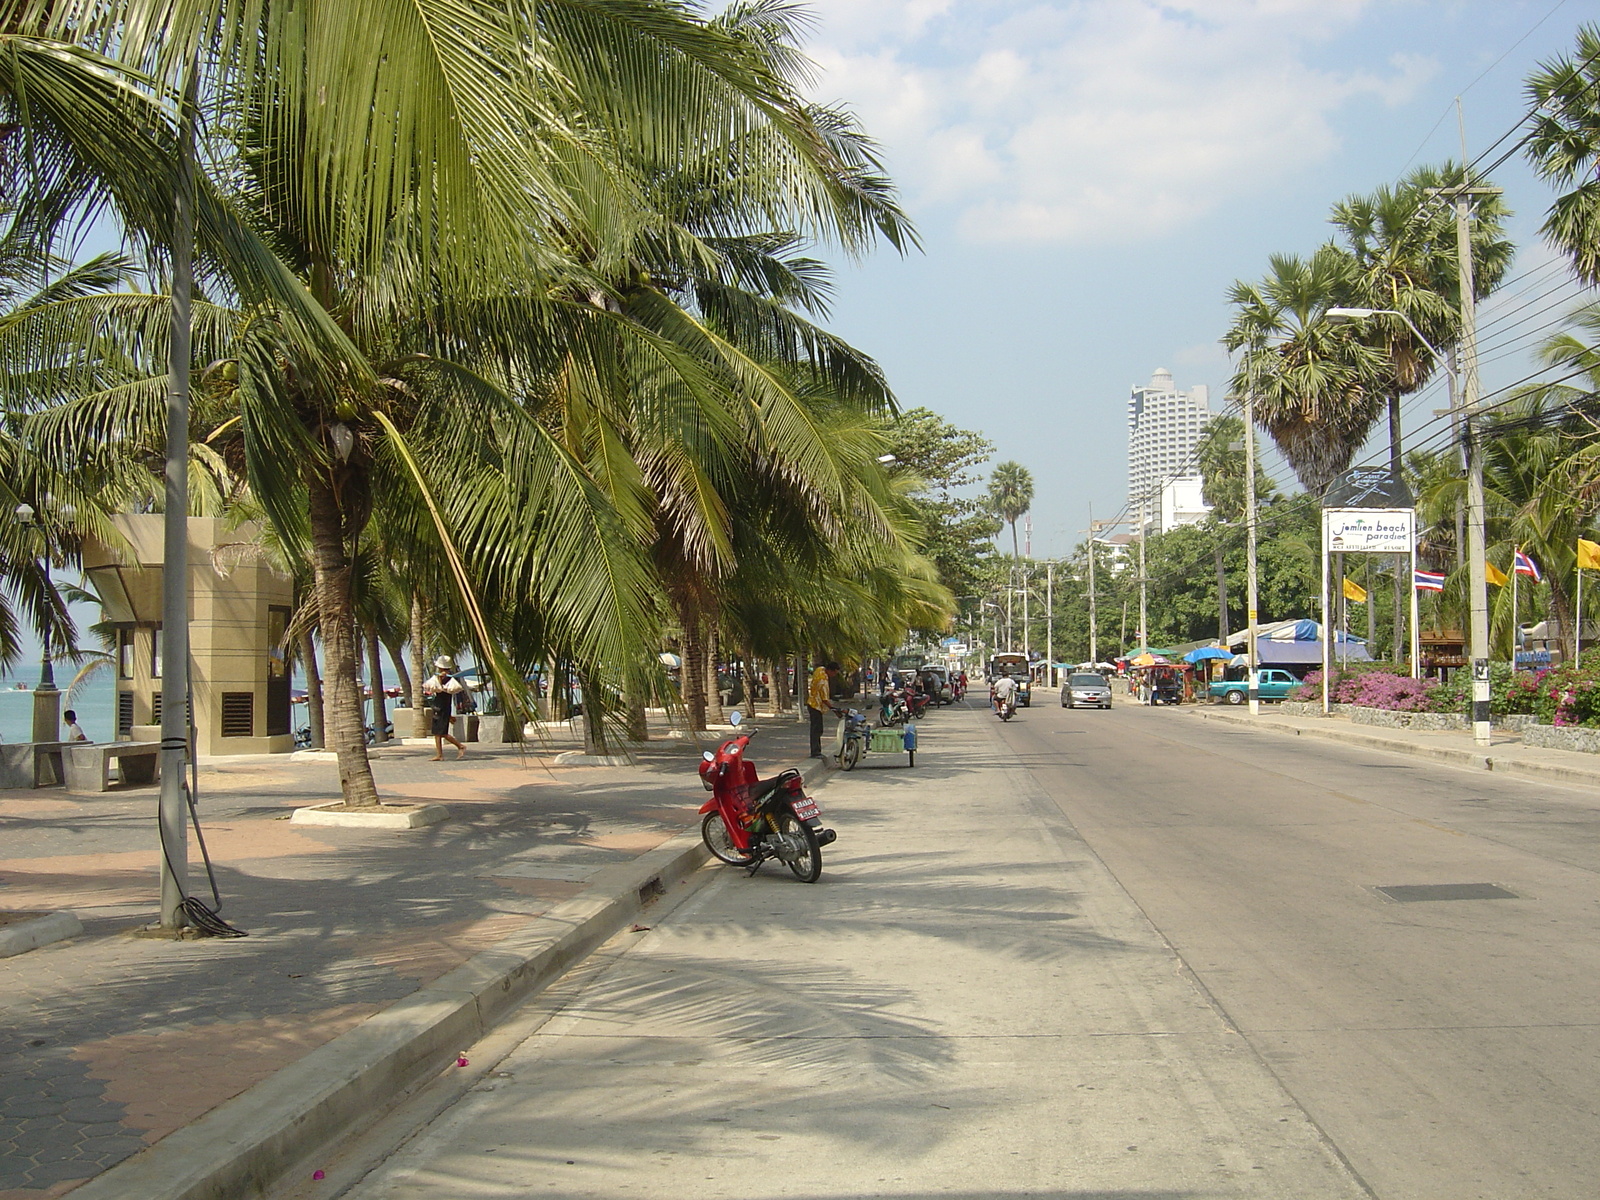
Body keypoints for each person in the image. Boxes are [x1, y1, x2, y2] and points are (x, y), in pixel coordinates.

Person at [425, 655, 467, 760]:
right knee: (436, 732)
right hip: (439, 706)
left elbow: (439, 688)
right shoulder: (443, 676)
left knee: (442, 732)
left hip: (443, 707)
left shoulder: (448, 678)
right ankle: (439, 755)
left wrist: (439, 678)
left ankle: (460, 746)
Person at [807, 660, 839, 757]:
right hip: (816, 705)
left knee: (815, 728)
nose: (834, 675)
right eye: (835, 673)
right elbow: (825, 699)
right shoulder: (823, 681)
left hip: (811, 702)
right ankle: (815, 752)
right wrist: (834, 710)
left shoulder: (820, 670)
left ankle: (816, 750)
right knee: (817, 729)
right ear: (830, 670)